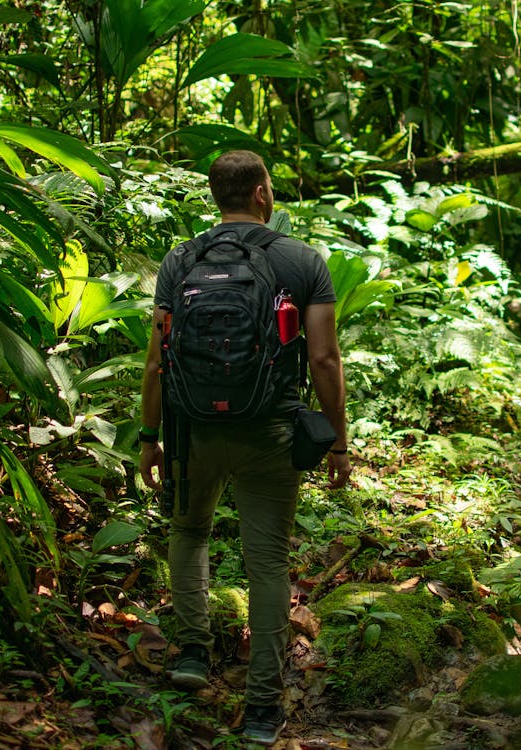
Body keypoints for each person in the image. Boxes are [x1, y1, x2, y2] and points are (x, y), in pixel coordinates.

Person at [138, 150, 352, 746]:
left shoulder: (180, 260)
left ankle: (191, 655)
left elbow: (157, 358)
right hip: (270, 434)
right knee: (266, 563)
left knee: (189, 533)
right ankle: (261, 708)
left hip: (191, 433)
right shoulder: (302, 259)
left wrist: (148, 438)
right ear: (262, 193)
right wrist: (337, 443)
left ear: (216, 196)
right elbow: (323, 358)